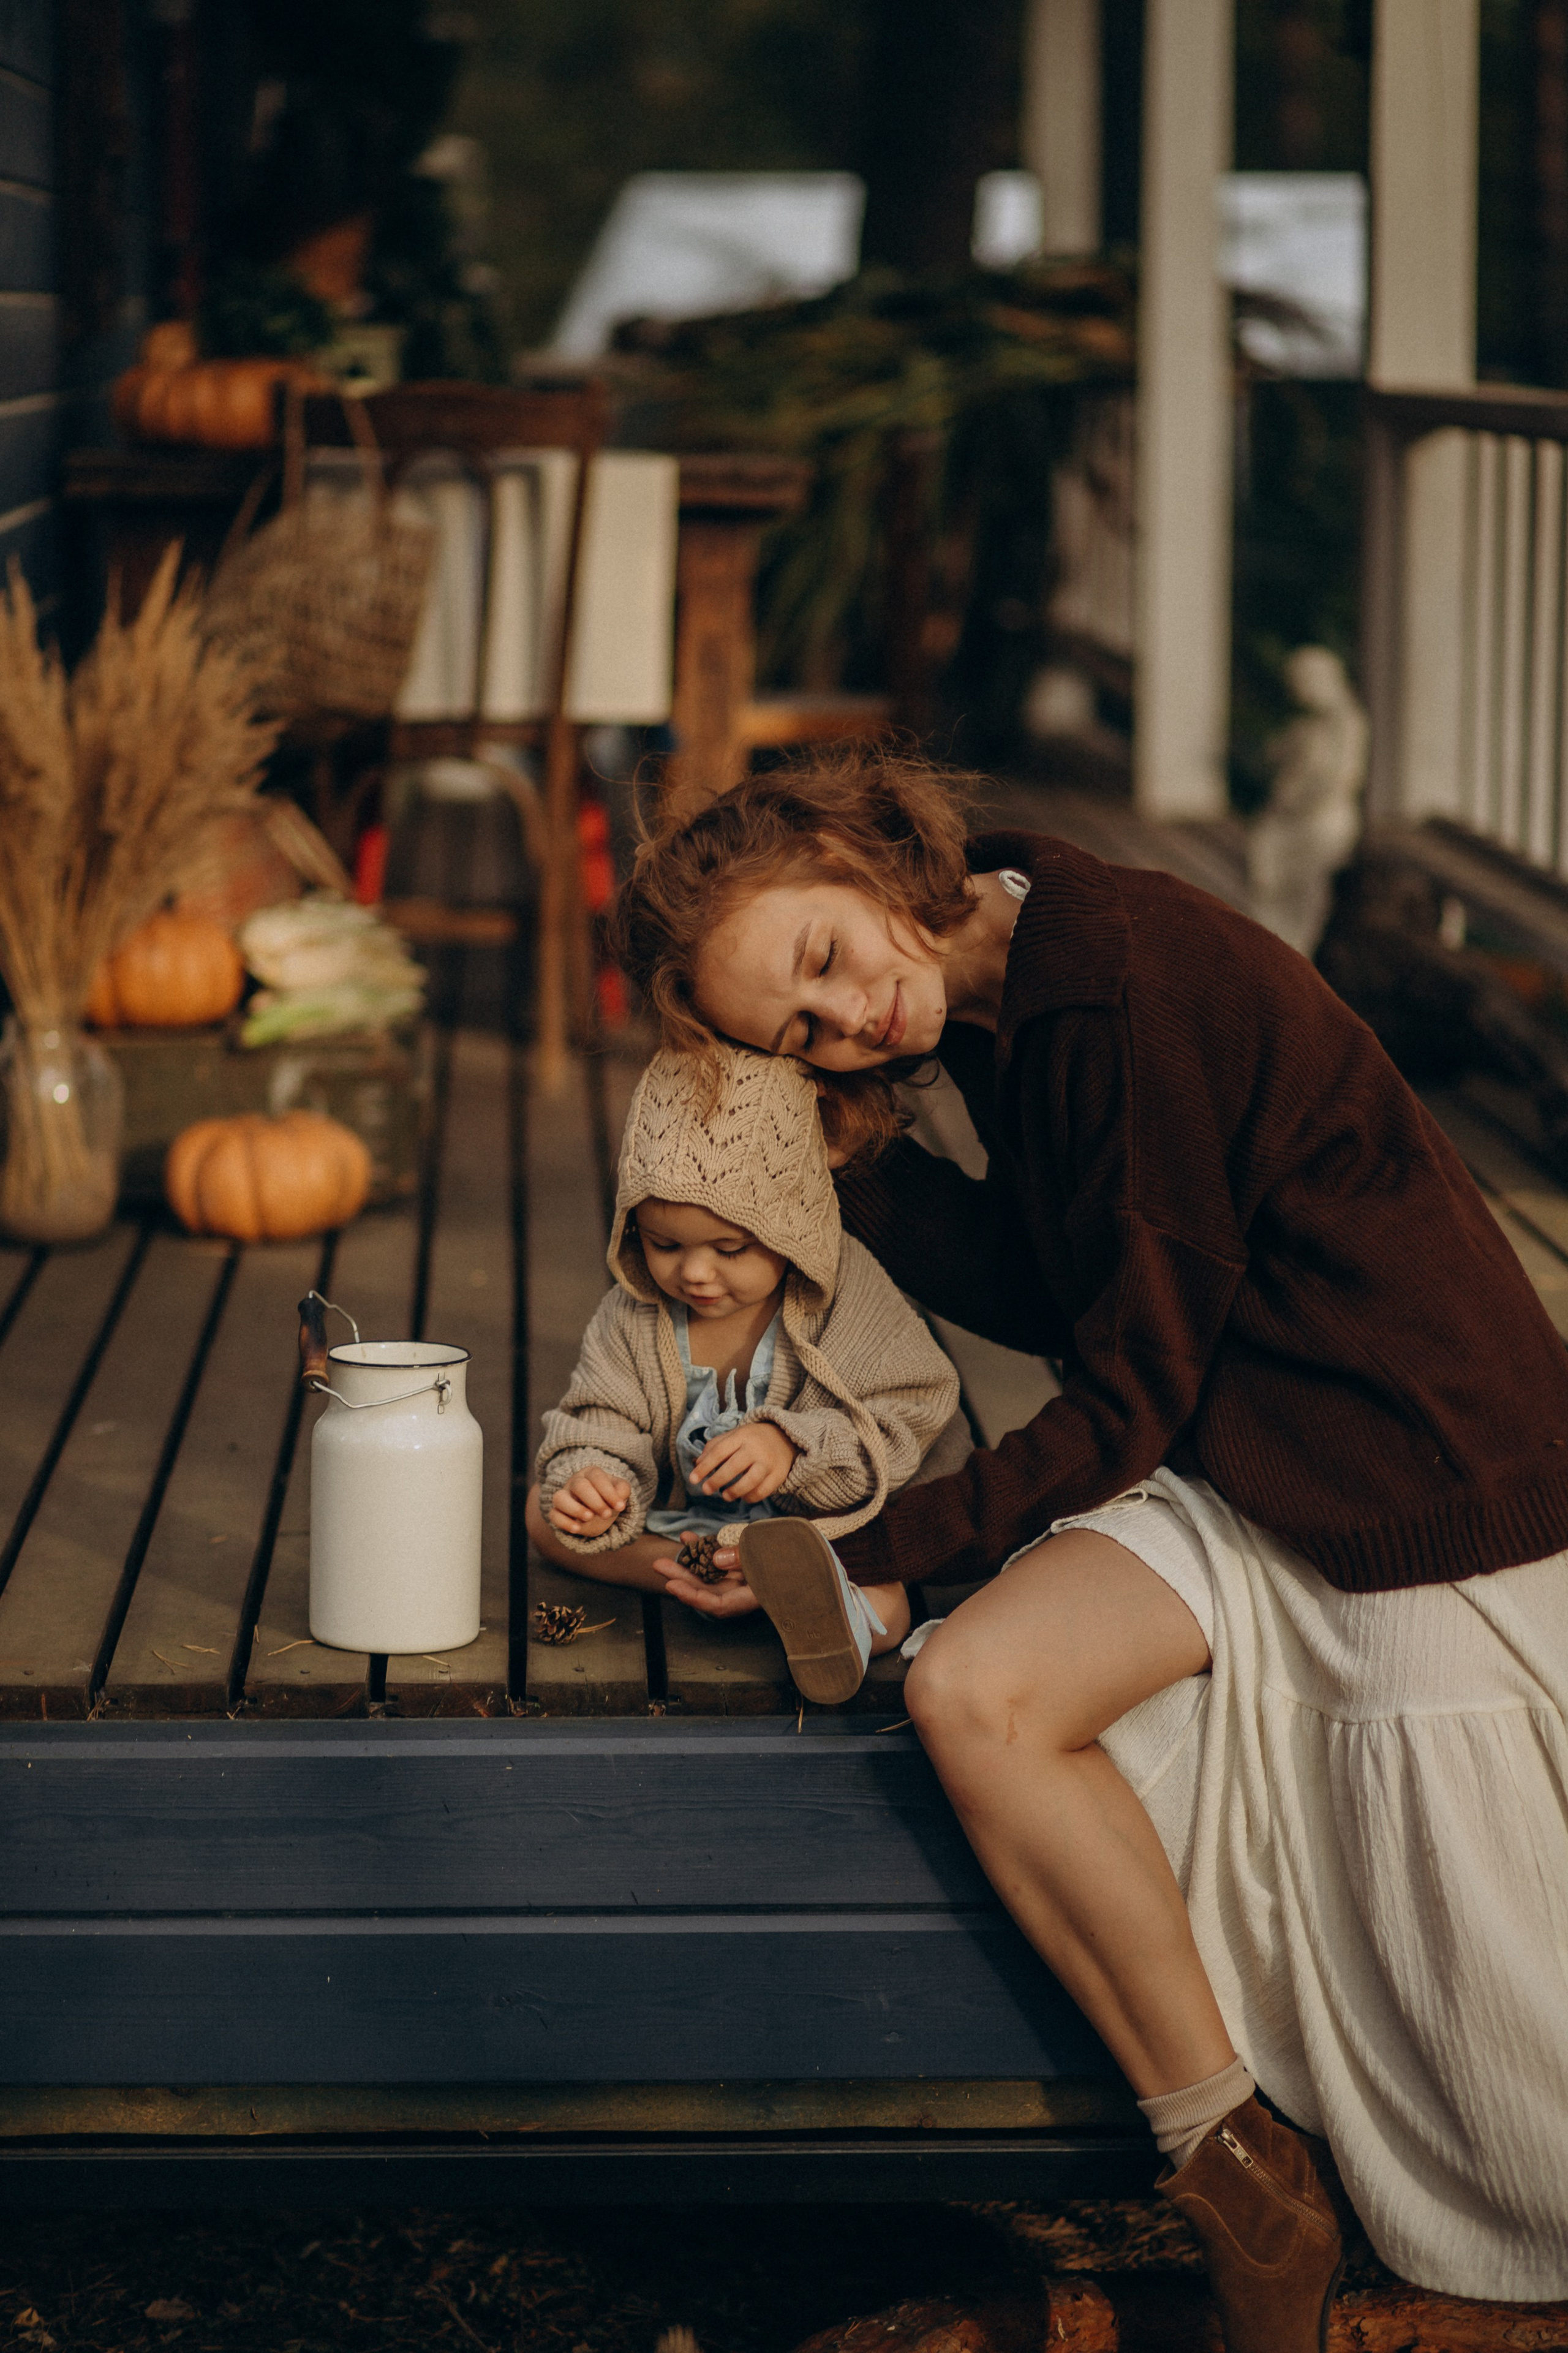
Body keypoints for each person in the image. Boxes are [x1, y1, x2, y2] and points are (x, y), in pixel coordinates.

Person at [607, 750, 1568, 2343]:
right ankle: (1238, 2178)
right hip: (1252, 1451)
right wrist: (863, 1171)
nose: (849, 1022)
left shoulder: (1128, 986)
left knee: (1498, 2059)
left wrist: (887, 1538)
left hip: (1407, 1478)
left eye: (826, 960)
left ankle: (870, 1594)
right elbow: (1067, 1286)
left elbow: (1126, 1387)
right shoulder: (1006, 970)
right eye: (801, 1033)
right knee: (973, 1689)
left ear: (863, 851)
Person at [526, 1040, 966, 1702]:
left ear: (796, 1226)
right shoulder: (634, 1314)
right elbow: (602, 1414)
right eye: (663, 1243)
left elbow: (912, 1406)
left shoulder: (847, 1296)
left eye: (731, 1248)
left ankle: (814, 1598)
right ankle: (725, 1574)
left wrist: (793, 1446)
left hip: (830, 1527)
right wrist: (596, 1479)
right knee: (543, 1512)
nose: (695, 1273)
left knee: (886, 1598)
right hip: (696, 1524)